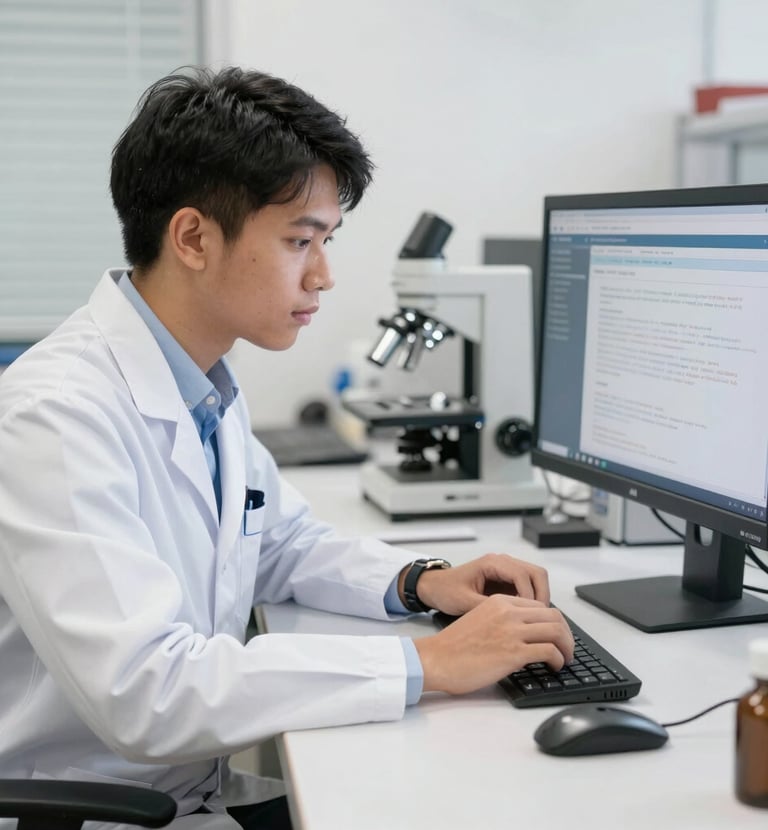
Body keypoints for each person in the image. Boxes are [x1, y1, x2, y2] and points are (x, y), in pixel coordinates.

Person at [0, 66, 574, 829]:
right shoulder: (53, 416)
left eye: (326, 240)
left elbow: (279, 541)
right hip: (100, 809)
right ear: (194, 238)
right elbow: (147, 692)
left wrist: (422, 580)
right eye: (301, 240)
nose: (325, 275)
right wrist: (426, 663)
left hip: (186, 788)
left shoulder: (200, 377)